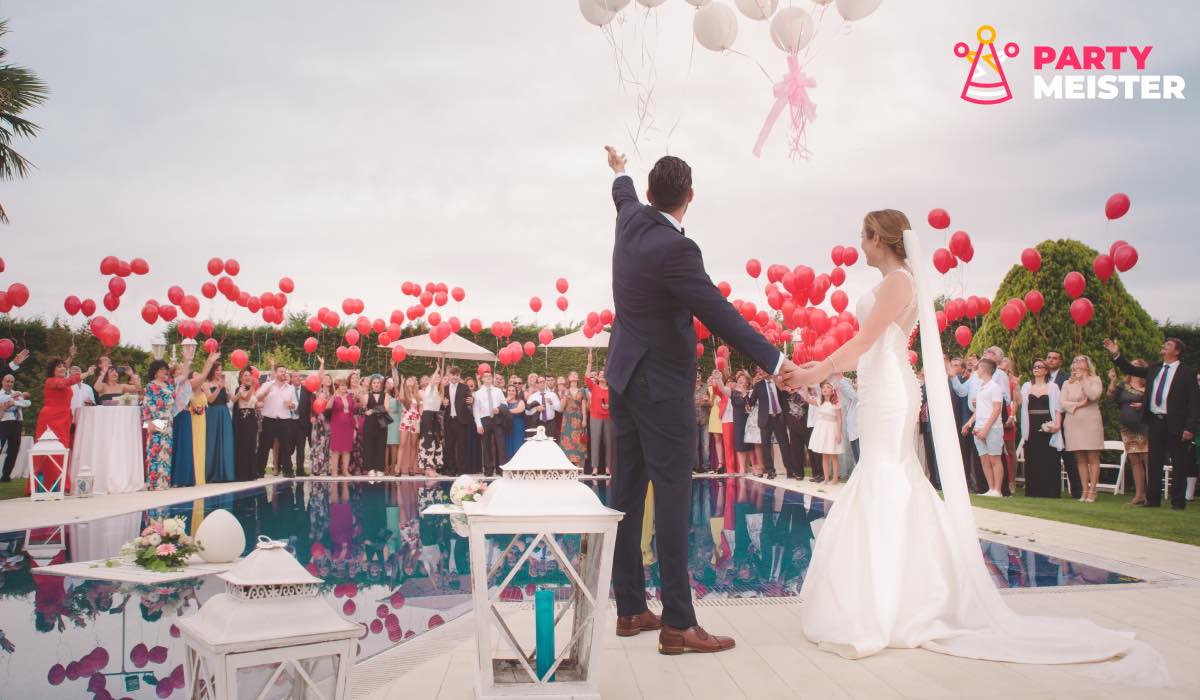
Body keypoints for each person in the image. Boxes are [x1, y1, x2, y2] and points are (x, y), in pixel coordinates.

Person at [782, 211, 1158, 676]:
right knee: (884, 475)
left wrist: (813, 371)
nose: (859, 244)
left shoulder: (899, 281)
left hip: (889, 392)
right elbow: (865, 345)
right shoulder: (894, 280)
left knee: (887, 474)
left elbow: (865, 340)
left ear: (878, 238)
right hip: (880, 385)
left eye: (862, 236)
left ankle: (897, 601)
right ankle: (894, 592)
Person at [603, 146, 800, 654]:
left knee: (625, 498)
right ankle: (678, 624)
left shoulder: (629, 220)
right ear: (690, 198)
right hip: (662, 388)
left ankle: (628, 608)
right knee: (670, 499)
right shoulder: (677, 250)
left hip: (622, 379)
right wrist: (776, 363)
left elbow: (619, 192)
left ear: (648, 194)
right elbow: (720, 314)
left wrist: (619, 167)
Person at [1104, 336, 1200, 509]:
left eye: (1169, 345)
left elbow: (1194, 403)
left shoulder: (1187, 372)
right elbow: (1130, 369)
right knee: (1154, 461)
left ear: (1177, 351)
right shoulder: (1154, 368)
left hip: (1176, 423)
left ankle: (1178, 501)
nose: (1164, 345)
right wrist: (1116, 354)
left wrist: (1190, 428)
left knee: (1178, 462)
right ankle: (1153, 500)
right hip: (1155, 422)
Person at [1060, 355, 1104, 503]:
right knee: (1080, 458)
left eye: (1081, 360)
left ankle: (1093, 491)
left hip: (1090, 421)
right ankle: (1084, 490)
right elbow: (1062, 403)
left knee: (1093, 456)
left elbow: (1093, 395)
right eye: (1075, 360)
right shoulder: (1067, 382)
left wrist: (1083, 379)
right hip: (1072, 422)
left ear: (1087, 364)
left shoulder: (1095, 379)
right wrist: (1079, 405)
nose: (1077, 362)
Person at [170, 352, 218, 488]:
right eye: (178, 370)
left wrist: (209, 362)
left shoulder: (187, 384)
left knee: (184, 447)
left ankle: (184, 478)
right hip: (171, 417)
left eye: (182, 369)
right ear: (173, 373)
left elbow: (202, 377)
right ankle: (171, 478)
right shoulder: (169, 385)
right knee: (172, 447)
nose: (181, 371)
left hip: (184, 416)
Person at [1018, 359, 1063, 498]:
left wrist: (1057, 425)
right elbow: (1019, 403)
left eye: (1040, 366)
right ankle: (1033, 490)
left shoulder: (1053, 387)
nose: (1036, 368)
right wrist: (1015, 387)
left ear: (1045, 370)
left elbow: (1057, 408)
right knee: (1033, 457)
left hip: (1047, 423)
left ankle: (1050, 491)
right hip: (1031, 425)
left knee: (1049, 457)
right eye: (1034, 366)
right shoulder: (1026, 386)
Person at [962, 358, 1005, 497]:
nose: (976, 370)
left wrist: (986, 428)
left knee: (994, 459)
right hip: (978, 427)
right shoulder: (981, 386)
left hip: (992, 427)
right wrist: (969, 422)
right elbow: (980, 409)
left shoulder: (994, 386)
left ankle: (997, 490)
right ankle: (991, 488)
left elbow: (997, 409)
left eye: (979, 368)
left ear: (984, 369)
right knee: (984, 459)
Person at [1107, 361, 1149, 505]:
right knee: (1134, 461)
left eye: (1137, 363)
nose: (1134, 365)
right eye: (1132, 363)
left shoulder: (1149, 385)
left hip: (1145, 426)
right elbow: (1110, 397)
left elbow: (1159, 402)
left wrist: (1143, 406)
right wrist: (1112, 381)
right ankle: (1139, 495)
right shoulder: (1123, 385)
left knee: (1147, 459)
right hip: (1127, 427)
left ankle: (1151, 495)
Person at [1045, 350, 1083, 499]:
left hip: (1065, 421)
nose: (1051, 360)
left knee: (1069, 457)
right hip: (1046, 421)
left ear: (1060, 362)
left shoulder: (1067, 378)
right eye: (1049, 357)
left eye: (1055, 358)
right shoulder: (1041, 377)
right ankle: (1051, 489)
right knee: (1049, 458)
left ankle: (1077, 491)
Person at [749, 367, 796, 479]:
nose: (761, 372)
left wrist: (787, 389)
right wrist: (742, 395)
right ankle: (770, 471)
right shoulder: (758, 385)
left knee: (784, 444)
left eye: (763, 369)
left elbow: (786, 396)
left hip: (779, 417)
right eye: (759, 371)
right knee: (766, 446)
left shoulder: (778, 382)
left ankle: (790, 471)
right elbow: (751, 402)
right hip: (765, 419)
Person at [255, 364, 298, 478]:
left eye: (285, 371)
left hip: (284, 420)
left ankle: (288, 470)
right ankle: (259, 470)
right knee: (264, 446)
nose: (283, 373)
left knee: (286, 446)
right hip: (269, 419)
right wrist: (264, 394)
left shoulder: (290, 388)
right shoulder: (267, 385)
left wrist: (292, 405)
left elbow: (295, 404)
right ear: (275, 373)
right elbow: (256, 397)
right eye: (281, 371)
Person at [142, 360, 176, 491]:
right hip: (155, 418)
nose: (164, 371)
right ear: (155, 371)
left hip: (168, 419)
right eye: (161, 369)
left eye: (165, 369)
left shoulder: (168, 385)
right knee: (154, 449)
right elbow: (146, 404)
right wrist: (149, 422)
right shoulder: (150, 386)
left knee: (166, 450)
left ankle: (163, 482)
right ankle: (153, 482)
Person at [202, 360, 235, 483]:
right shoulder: (206, 385)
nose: (219, 372)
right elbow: (210, 400)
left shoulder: (224, 383)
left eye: (220, 370)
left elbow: (230, 399)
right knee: (212, 442)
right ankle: (210, 473)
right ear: (212, 371)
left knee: (225, 441)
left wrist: (226, 390)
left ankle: (226, 473)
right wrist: (218, 388)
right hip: (212, 413)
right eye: (217, 370)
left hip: (224, 412)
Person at [804, 381, 842, 484]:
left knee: (833, 454)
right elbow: (807, 399)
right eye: (823, 387)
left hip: (832, 430)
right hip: (822, 431)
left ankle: (835, 479)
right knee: (824, 454)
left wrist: (838, 433)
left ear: (832, 390)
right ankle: (825, 478)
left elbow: (839, 419)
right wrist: (805, 387)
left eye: (828, 387)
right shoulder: (819, 402)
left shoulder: (836, 403)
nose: (825, 389)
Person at [473, 371, 508, 476]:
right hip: (485, 420)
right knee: (486, 445)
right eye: (486, 376)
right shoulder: (478, 393)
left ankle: (501, 468)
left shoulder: (498, 391)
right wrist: (478, 424)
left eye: (490, 376)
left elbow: (505, 404)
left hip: (497, 419)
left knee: (500, 444)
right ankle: (488, 469)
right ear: (482, 379)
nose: (488, 378)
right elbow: (476, 410)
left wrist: (498, 409)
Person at [441, 366, 473, 476]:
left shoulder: (464, 387)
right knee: (449, 446)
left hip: (461, 421)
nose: (455, 377)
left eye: (457, 375)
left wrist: (471, 400)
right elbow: (440, 405)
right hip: (449, 421)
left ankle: (461, 470)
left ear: (459, 376)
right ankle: (451, 469)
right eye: (453, 375)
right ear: (449, 376)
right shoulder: (444, 388)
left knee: (461, 447)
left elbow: (470, 399)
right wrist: (442, 404)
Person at [585, 351, 613, 475]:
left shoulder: (612, 390)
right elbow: (586, 377)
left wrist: (609, 406)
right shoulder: (594, 387)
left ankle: (608, 468)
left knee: (609, 443)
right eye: (600, 374)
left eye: (604, 374)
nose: (601, 375)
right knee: (595, 442)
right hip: (595, 417)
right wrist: (589, 362)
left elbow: (616, 404)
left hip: (608, 417)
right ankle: (595, 468)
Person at [0, 373, 31, 482]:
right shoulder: (2, 394)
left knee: (13, 450)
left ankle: (6, 476)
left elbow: (27, 403)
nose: (9, 384)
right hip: (3, 422)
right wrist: (14, 399)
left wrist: (15, 402)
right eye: (7, 381)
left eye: (11, 382)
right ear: (2, 382)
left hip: (17, 422)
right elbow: (2, 401)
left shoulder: (16, 393)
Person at [231, 368, 259, 481]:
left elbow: (255, 403)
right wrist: (252, 386)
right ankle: (242, 473)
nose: (248, 377)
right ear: (241, 378)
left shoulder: (251, 389)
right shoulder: (240, 388)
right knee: (244, 445)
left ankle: (251, 472)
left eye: (249, 375)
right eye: (245, 375)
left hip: (252, 418)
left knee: (252, 445)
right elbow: (245, 398)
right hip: (243, 419)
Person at [418, 367, 444, 476]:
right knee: (427, 442)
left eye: (439, 377)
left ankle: (434, 465)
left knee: (437, 441)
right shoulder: (429, 388)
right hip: (427, 416)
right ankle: (427, 468)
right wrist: (437, 369)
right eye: (436, 377)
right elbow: (433, 382)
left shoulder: (439, 392)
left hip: (435, 417)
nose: (437, 378)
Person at [328, 379, 356, 477]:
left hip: (348, 424)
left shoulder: (350, 397)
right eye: (342, 385)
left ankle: (345, 471)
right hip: (336, 424)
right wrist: (333, 396)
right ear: (338, 387)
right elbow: (328, 407)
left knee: (346, 449)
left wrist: (355, 425)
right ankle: (334, 471)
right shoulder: (335, 397)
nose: (344, 387)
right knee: (336, 449)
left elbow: (353, 411)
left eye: (345, 385)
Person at [559, 371, 588, 467]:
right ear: (569, 378)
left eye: (576, 374)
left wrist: (584, 419)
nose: (574, 375)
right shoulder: (565, 391)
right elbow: (560, 408)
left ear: (578, 378)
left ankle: (580, 470)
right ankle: (567, 469)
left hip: (578, 419)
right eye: (571, 374)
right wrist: (565, 397)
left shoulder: (582, 391)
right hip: (567, 420)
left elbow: (584, 406)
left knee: (579, 443)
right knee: (567, 443)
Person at [361, 375, 388, 473]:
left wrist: (372, 410)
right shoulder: (367, 394)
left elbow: (386, 408)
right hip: (370, 423)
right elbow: (364, 407)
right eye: (374, 383)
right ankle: (370, 469)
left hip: (382, 423)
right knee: (369, 445)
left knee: (381, 446)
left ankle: (380, 469)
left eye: (378, 383)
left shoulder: (385, 395)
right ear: (371, 385)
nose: (376, 384)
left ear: (380, 384)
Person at [730, 371, 753, 474]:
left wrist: (745, 394)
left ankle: (747, 467)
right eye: (740, 380)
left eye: (744, 380)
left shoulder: (751, 392)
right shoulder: (733, 393)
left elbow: (750, 407)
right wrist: (719, 380)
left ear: (748, 382)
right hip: (738, 420)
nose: (742, 382)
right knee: (740, 443)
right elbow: (722, 388)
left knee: (748, 445)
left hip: (749, 420)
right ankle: (742, 469)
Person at [398, 376, 421, 475]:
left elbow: (420, 407)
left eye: (412, 380)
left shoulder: (417, 395)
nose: (410, 381)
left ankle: (411, 467)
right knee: (402, 444)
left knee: (413, 445)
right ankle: (398, 468)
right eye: (408, 379)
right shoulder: (404, 393)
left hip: (415, 421)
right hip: (406, 421)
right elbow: (401, 398)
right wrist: (402, 383)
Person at [693, 371, 712, 473]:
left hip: (705, 419)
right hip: (693, 420)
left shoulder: (706, 387)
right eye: (696, 373)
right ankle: (695, 468)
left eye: (699, 373)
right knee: (694, 445)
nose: (697, 375)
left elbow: (710, 402)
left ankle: (706, 467)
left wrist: (705, 402)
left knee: (705, 445)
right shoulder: (689, 387)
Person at [503, 384, 526, 461]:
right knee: (508, 444)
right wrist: (505, 401)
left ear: (516, 392)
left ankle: (519, 462)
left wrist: (506, 411)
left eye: (513, 391)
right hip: (507, 426)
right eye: (509, 390)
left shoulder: (520, 401)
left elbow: (519, 410)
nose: (511, 392)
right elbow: (499, 409)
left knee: (518, 443)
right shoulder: (504, 401)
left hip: (518, 425)